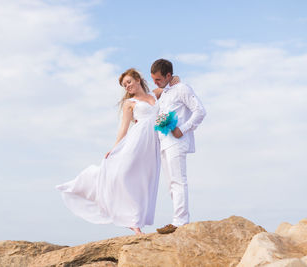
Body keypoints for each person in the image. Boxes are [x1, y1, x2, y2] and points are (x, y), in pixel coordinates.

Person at [56, 68, 161, 235]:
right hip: (135, 143)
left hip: (151, 147)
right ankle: (128, 218)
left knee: (143, 181)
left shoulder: (155, 96)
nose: (127, 86)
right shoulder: (130, 103)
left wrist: (175, 78)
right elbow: (123, 129)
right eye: (124, 85)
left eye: (129, 82)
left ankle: (134, 218)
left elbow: (171, 87)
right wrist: (114, 148)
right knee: (122, 174)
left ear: (138, 80)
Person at [151, 59, 206, 234]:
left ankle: (180, 221)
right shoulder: (165, 93)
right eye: (153, 79)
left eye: (158, 79)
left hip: (177, 142)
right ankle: (177, 219)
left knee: (178, 181)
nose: (156, 83)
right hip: (164, 142)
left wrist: (183, 129)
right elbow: (151, 95)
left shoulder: (182, 88)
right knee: (171, 184)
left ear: (168, 75)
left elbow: (200, 111)